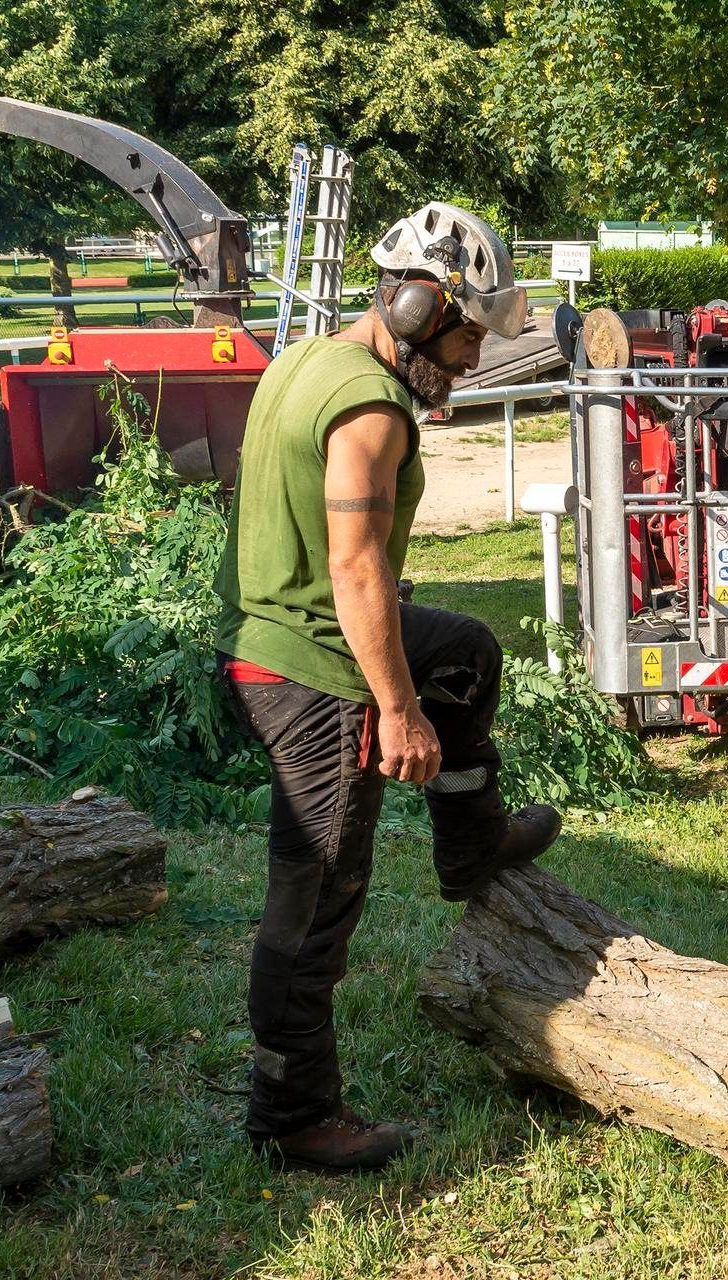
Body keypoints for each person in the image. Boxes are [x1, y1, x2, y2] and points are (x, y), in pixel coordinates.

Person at [214, 201, 561, 1173]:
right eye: (461, 338)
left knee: (465, 651)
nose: (464, 362)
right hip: (310, 667)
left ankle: (471, 841)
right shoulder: (369, 410)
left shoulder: (306, 360)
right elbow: (356, 567)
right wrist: (396, 708)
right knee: (320, 887)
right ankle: (292, 1112)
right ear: (415, 307)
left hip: (291, 630)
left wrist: (410, 670)